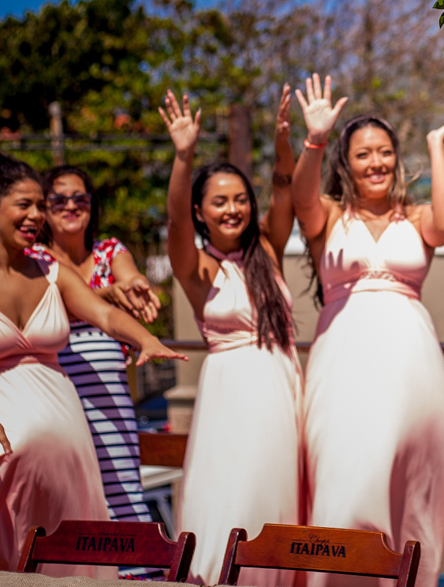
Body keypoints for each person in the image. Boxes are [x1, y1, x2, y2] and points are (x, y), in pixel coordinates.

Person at [0, 151, 186, 576]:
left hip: (67, 430)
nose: (37, 215)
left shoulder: (51, 272)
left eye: (40, 205)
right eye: (26, 205)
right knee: (7, 541)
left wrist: (146, 339)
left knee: (75, 544)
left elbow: (105, 313)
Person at [292, 73, 444, 587]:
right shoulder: (327, 217)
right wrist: (315, 139)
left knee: (411, 484)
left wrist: (435, 146)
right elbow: (300, 196)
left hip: (412, 367)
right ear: (346, 163)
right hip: (341, 363)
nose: (376, 163)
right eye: (363, 154)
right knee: (346, 476)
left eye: (384, 152)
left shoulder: (417, 217)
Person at [160, 87, 302, 586]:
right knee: (236, 498)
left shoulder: (268, 245)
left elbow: (285, 187)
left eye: (240, 199)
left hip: (284, 390)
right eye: (219, 202)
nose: (232, 209)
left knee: (280, 498)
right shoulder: (194, 265)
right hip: (232, 398)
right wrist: (184, 156)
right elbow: (175, 217)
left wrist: (284, 140)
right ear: (202, 211)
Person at [29, 164, 160, 525]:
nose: (70, 206)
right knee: (69, 490)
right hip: (55, 394)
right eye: (58, 199)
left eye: (79, 198)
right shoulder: (34, 259)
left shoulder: (109, 250)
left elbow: (130, 275)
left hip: (109, 395)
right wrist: (108, 294)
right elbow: (51, 301)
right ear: (44, 208)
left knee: (122, 490)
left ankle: (135, 575)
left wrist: (135, 287)